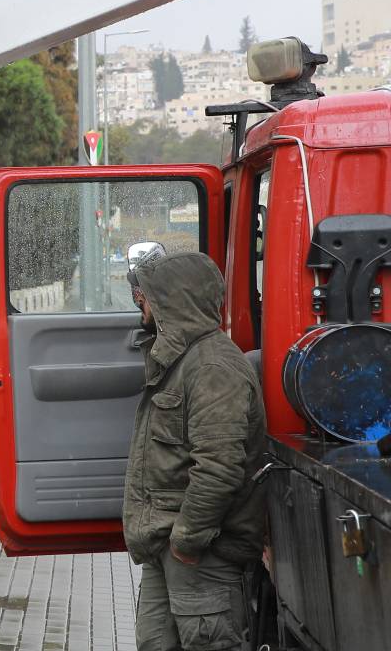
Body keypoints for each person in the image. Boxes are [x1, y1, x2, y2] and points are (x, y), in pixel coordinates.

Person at [123, 251, 266, 651]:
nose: (140, 301)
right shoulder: (180, 360)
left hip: (201, 553)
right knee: (154, 643)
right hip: (167, 548)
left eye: (147, 294)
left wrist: (186, 541)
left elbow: (219, 468)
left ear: (175, 300)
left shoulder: (212, 368)